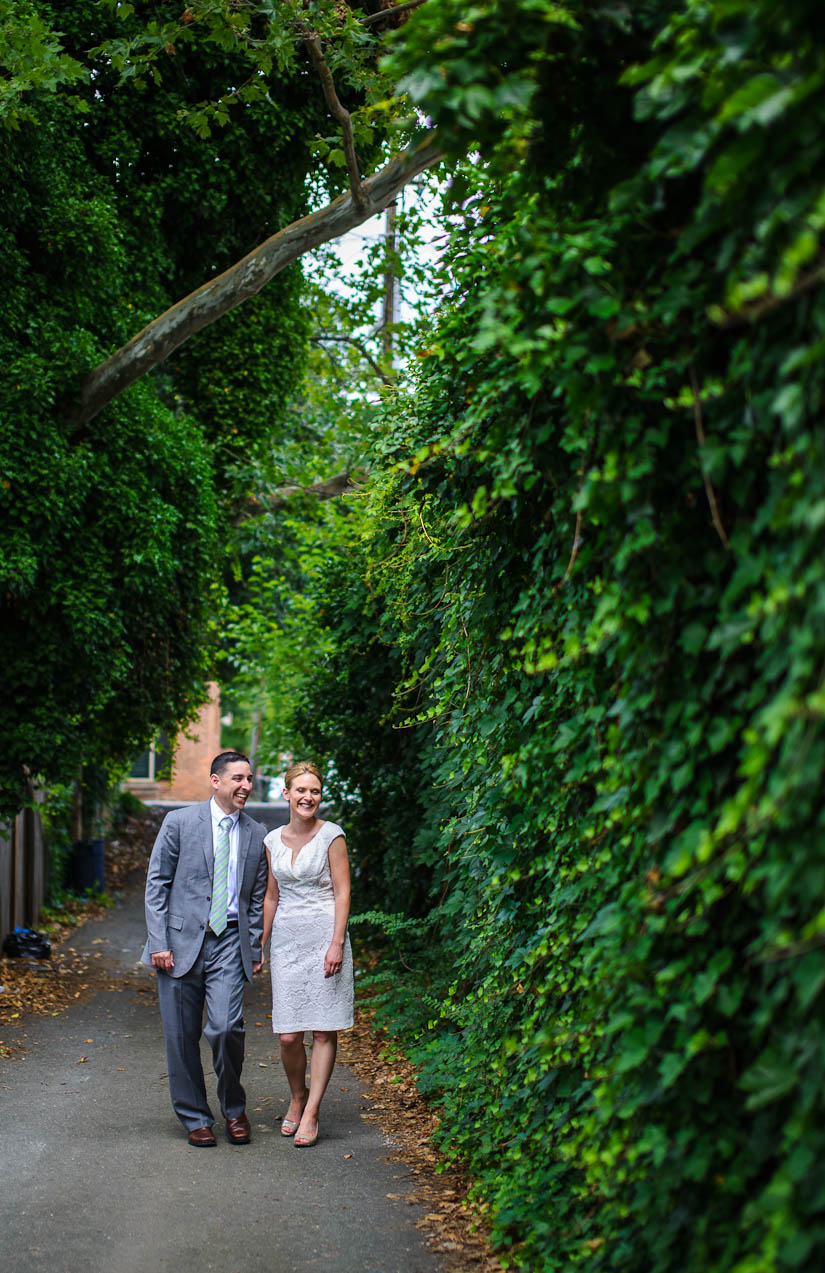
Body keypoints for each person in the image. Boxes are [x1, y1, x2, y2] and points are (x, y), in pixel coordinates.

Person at [142, 751, 268, 1147]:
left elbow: (257, 896)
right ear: (216, 781)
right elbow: (157, 883)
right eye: (238, 779)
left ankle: (234, 1108)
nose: (246, 786)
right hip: (179, 945)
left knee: (226, 1026)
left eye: (249, 779)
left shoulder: (257, 833)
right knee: (180, 1036)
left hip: (229, 941)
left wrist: (255, 945)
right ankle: (195, 1115)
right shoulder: (179, 822)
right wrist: (159, 942)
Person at [262, 761, 353, 1147]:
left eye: (314, 791)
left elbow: (343, 891)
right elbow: (271, 895)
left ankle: (312, 1111)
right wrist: (261, 943)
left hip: (324, 938)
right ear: (286, 794)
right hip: (287, 941)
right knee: (287, 1035)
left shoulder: (332, 836)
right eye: (300, 790)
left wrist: (336, 943)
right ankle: (297, 1097)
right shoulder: (271, 840)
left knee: (321, 1028)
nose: (307, 797)